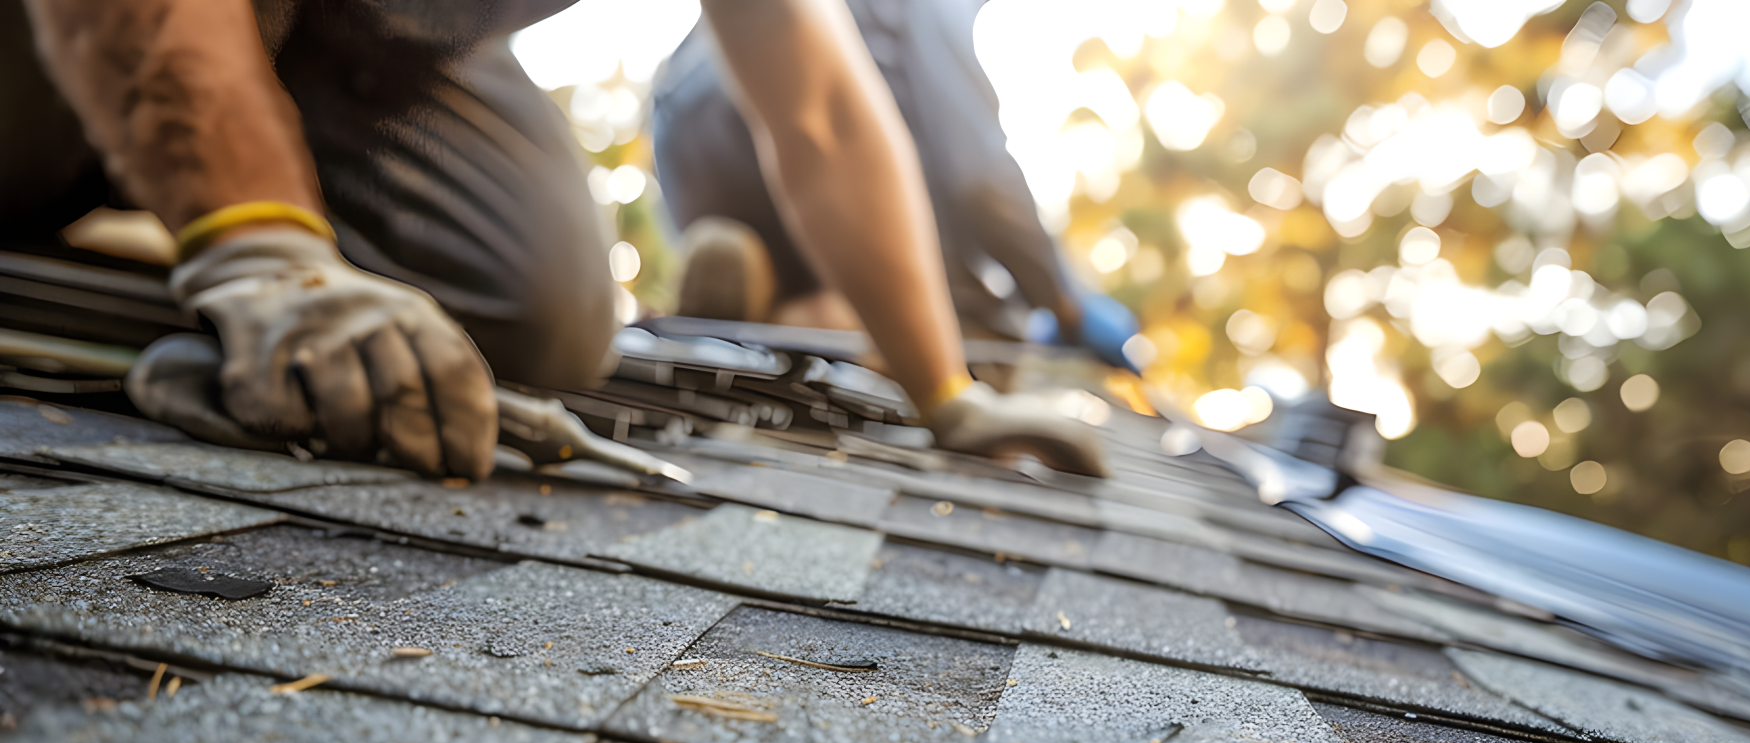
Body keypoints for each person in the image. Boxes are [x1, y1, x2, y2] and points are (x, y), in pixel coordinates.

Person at [5, 0, 1109, 478]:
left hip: (375, 46)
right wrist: (261, 248)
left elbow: (821, 110)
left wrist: (946, 393)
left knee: (539, 315)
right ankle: (189, 213)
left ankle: (179, 222)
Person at [651, 0, 1141, 369]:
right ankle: (861, 320)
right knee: (993, 336)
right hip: (827, 175)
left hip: (700, 150)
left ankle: (784, 298)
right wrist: (1062, 298)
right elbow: (978, 176)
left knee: (771, 234)